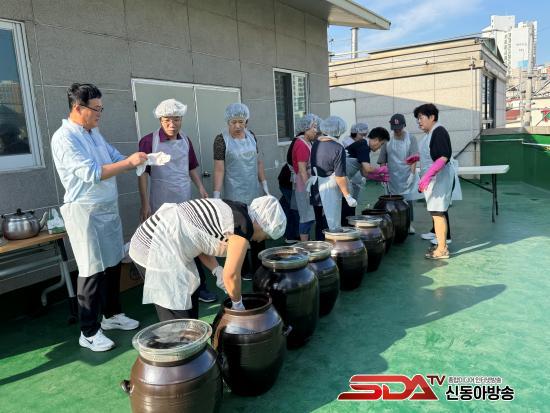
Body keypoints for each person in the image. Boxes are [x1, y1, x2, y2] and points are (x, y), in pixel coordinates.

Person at [51, 83, 147, 352]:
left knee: (113, 262)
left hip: (106, 207)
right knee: (91, 269)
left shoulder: (93, 132)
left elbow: (113, 157)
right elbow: (91, 172)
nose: (99, 114)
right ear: (77, 108)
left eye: (101, 109)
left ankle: (112, 314)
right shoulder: (64, 137)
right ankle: (89, 331)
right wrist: (128, 163)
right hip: (85, 211)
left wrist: (138, 159)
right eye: (95, 109)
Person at [129, 196, 286, 321]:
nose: (261, 239)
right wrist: (238, 305)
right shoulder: (243, 227)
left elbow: (200, 240)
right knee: (177, 317)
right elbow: (231, 275)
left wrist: (216, 269)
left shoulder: (237, 210)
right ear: (263, 223)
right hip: (154, 246)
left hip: (164, 238)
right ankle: (180, 347)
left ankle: (190, 343)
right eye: (266, 235)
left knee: (189, 298)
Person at [137, 98, 217, 304]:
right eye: (167, 120)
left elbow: (191, 167)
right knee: (165, 244)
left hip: (183, 198)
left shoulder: (186, 140)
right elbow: (142, 174)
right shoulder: (148, 141)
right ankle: (171, 288)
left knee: (190, 241)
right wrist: (145, 203)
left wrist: (200, 187)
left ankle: (200, 288)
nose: (172, 125)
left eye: (176, 120)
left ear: (181, 119)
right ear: (160, 120)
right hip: (160, 200)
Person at [212, 103, 269, 277]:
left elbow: (258, 162)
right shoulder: (221, 140)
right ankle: (243, 269)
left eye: (241, 122)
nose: (237, 126)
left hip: (253, 190)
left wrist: (264, 184)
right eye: (233, 122)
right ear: (228, 122)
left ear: (246, 121)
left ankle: (260, 266)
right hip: (234, 192)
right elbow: (219, 169)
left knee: (258, 227)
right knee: (240, 230)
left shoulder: (252, 136)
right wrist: (216, 194)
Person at [414, 103, 457, 260]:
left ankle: (442, 249)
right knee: (435, 212)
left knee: (438, 213)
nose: (419, 121)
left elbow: (443, 157)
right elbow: (430, 153)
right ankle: (440, 244)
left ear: (432, 117)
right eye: (417, 118)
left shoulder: (439, 131)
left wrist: (427, 177)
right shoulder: (430, 134)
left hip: (439, 179)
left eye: (421, 117)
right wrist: (415, 158)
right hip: (434, 180)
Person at [309, 116, 356, 233]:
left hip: (315, 187)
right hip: (330, 189)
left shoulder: (316, 144)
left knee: (319, 222)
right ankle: (330, 244)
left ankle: (320, 243)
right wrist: (347, 196)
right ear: (339, 131)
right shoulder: (338, 148)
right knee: (331, 224)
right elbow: (340, 176)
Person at [378, 113, 421, 234]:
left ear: (404, 125)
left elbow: (414, 158)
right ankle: (393, 224)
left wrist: (412, 174)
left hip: (407, 174)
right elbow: (383, 160)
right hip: (392, 176)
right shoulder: (387, 139)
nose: (397, 131)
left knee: (408, 201)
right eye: (394, 129)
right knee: (391, 201)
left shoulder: (411, 138)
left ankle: (409, 224)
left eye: (399, 128)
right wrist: (383, 176)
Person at [291, 114, 318, 240]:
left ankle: (306, 242)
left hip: (307, 183)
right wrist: (309, 188)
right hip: (304, 186)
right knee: (306, 217)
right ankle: (304, 244)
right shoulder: (301, 144)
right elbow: (302, 170)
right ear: (306, 128)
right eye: (314, 127)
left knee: (309, 216)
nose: (316, 130)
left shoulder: (308, 142)